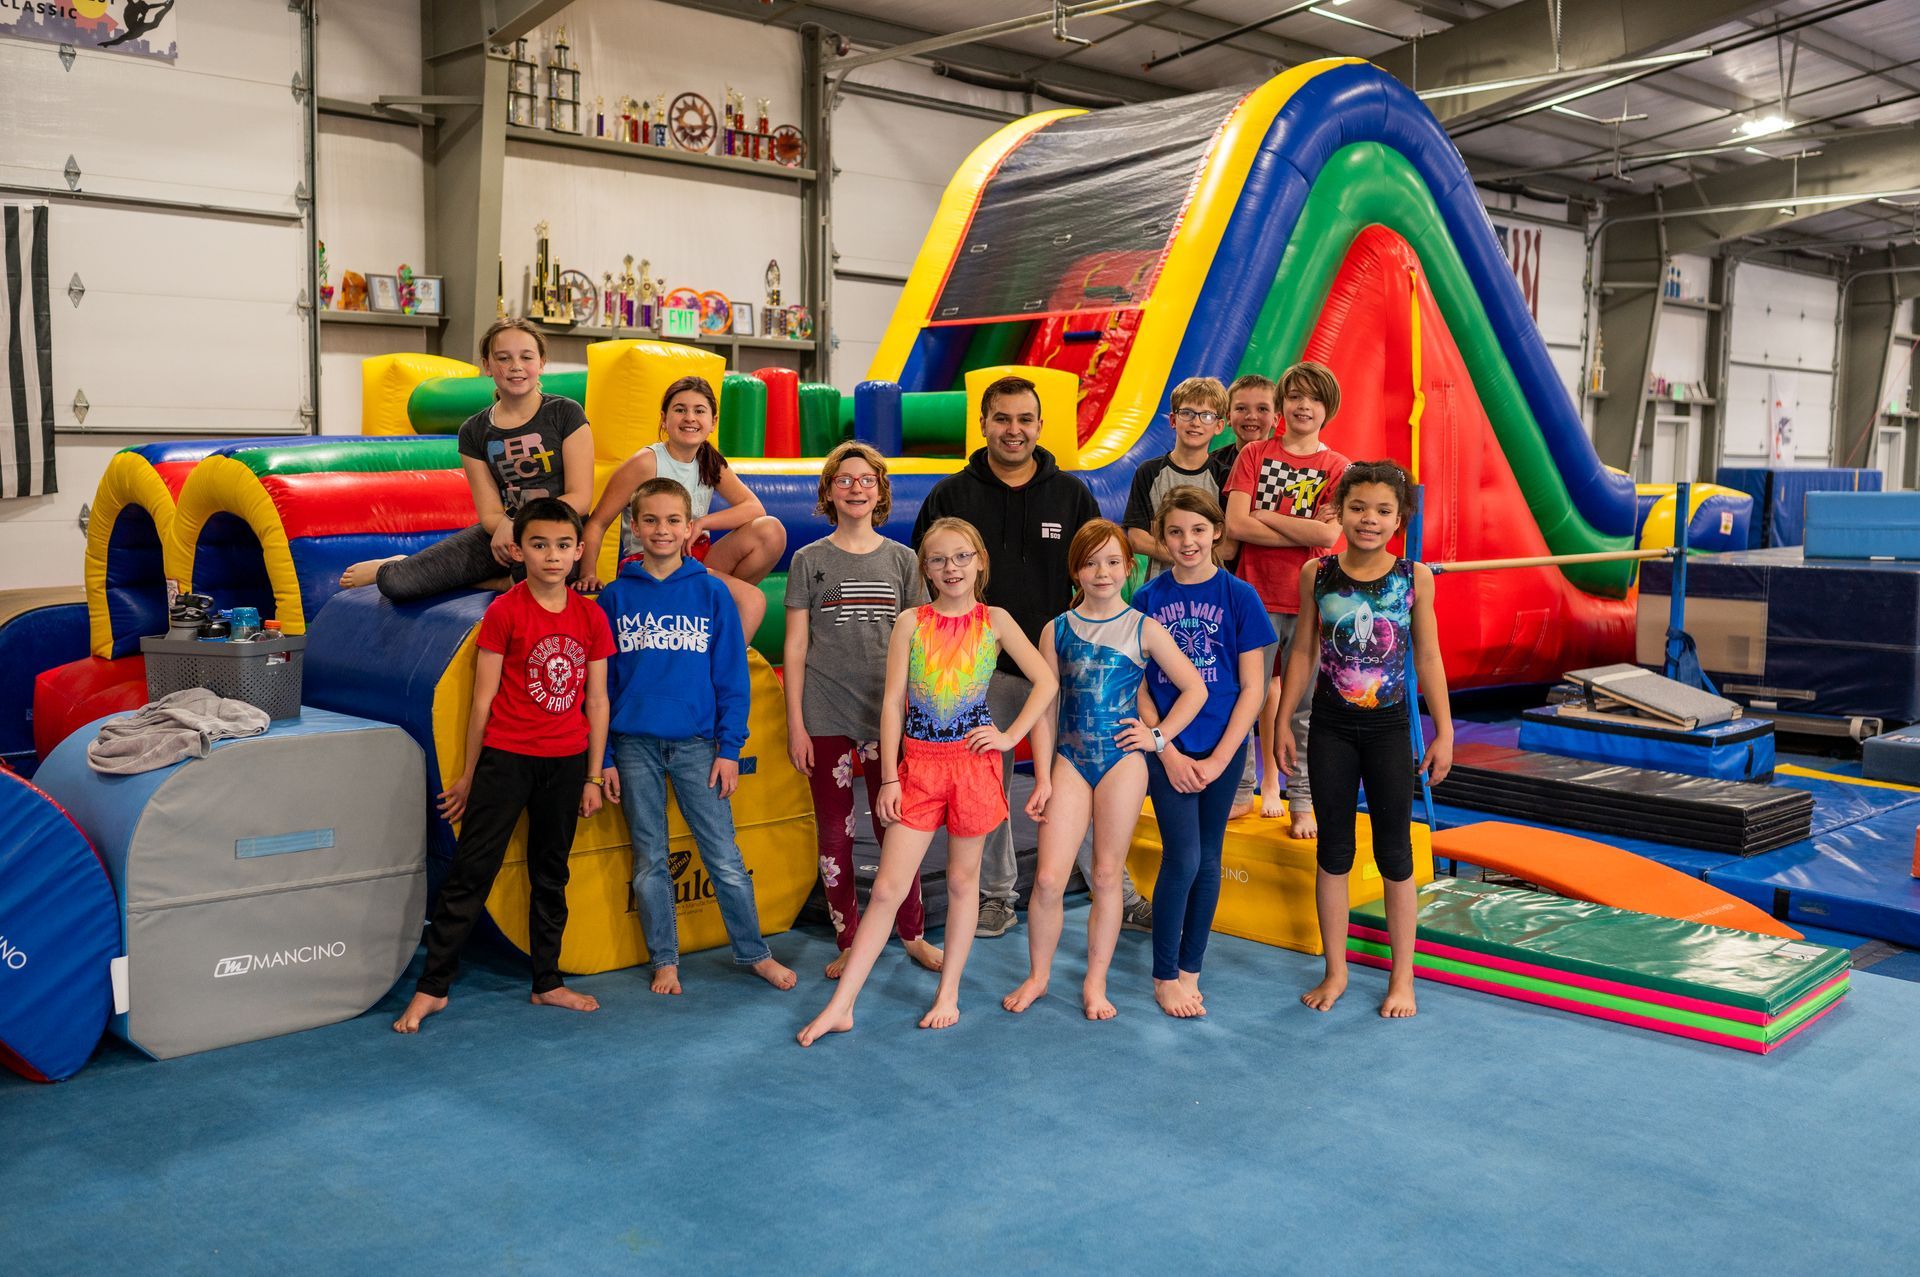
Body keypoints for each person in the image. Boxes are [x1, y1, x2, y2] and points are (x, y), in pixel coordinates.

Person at [796, 518, 1057, 1044]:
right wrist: (889, 777)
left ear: (980, 560)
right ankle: (842, 1005)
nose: (951, 568)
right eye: (938, 560)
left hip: (973, 767)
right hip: (919, 767)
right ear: (926, 569)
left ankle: (949, 993)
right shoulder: (912, 622)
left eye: (961, 557)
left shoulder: (996, 620)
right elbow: (893, 702)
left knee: (964, 883)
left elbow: (1046, 680)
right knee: (889, 888)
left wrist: (1009, 737)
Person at [911, 375, 1150, 939]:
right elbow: (928, 575)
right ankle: (996, 894)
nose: (1014, 430)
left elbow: (1097, 568)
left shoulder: (1069, 494)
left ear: (1041, 426)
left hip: (1065, 668)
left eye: (1025, 420)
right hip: (981, 670)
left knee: (1086, 771)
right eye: (1002, 419)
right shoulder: (951, 495)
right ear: (984, 424)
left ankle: (1112, 884)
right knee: (984, 778)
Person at [393, 498, 613, 1033]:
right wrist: (470, 773)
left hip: (564, 764)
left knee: (550, 874)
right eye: (540, 545)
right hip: (507, 760)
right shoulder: (506, 611)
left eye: (564, 546)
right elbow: (481, 702)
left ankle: (547, 981)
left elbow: (599, 701)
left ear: (579, 551)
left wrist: (590, 774)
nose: (552, 556)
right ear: (520, 550)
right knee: (472, 872)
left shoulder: (590, 615)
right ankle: (433, 987)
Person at [598, 477, 796, 996]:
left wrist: (729, 749)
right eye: (651, 521)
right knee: (650, 860)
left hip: (696, 747)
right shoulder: (616, 597)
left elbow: (731, 677)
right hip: (634, 745)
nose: (661, 530)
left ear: (689, 529)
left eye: (672, 521)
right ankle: (665, 958)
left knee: (724, 857)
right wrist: (607, 757)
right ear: (634, 527)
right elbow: (603, 686)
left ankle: (754, 952)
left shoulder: (710, 591)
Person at [1003, 520, 1207, 1021]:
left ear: (1128, 567)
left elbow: (1195, 689)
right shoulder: (1057, 629)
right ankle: (1039, 976)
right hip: (1071, 760)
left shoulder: (1142, 627)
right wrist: (1047, 775)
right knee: (1049, 879)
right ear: (1075, 569)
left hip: (1122, 762)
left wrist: (1157, 738)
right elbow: (1048, 706)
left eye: (1113, 561)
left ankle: (1096, 982)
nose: (1102, 572)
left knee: (1106, 873)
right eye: (1091, 562)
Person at [1275, 461, 1452, 1019]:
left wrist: (1443, 730)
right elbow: (1302, 650)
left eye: (1382, 511)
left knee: (1395, 852)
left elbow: (1427, 656)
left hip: (1388, 731)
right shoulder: (1317, 574)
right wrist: (1282, 718)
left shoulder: (1412, 577)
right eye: (1357, 508)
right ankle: (1337, 970)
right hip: (1330, 727)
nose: (1368, 520)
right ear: (1339, 512)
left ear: (1399, 518)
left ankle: (1403, 979)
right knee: (1334, 850)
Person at [784, 442, 944, 979]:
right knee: (836, 834)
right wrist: (795, 724)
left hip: (889, 717)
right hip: (826, 714)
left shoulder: (903, 560)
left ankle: (912, 932)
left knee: (897, 827)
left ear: (881, 491)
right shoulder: (810, 561)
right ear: (829, 491)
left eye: (866, 480)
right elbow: (797, 648)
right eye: (845, 480)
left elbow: (920, 646)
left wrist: (920, 718)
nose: (856, 488)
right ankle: (850, 940)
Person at [1130, 488, 1273, 1018]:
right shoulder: (1148, 598)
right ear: (1162, 538)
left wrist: (1219, 761)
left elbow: (1252, 689)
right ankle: (1164, 974)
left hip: (1222, 747)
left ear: (1216, 531)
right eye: (1175, 532)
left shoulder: (1240, 597)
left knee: (1210, 859)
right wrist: (1165, 748)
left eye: (1197, 530)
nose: (1187, 541)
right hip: (1168, 748)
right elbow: (1138, 687)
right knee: (1182, 857)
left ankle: (1190, 968)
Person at [342, 319, 594, 598]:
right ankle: (399, 563)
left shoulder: (565, 413)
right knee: (398, 584)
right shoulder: (474, 430)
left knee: (537, 582)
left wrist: (519, 520)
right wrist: (508, 524)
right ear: (487, 366)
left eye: (526, 357)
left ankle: (503, 582)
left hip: (558, 536)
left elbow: (581, 498)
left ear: (542, 363)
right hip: (502, 532)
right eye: (503, 358)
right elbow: (489, 514)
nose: (515, 366)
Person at [1222, 360, 1350, 836]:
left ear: (1326, 409)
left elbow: (1328, 536)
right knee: (1245, 700)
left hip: (1308, 601)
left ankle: (1302, 801)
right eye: (1295, 397)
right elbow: (1235, 525)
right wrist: (1304, 530)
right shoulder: (1254, 453)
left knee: (1302, 710)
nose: (1302, 406)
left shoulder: (1337, 467)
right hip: (1254, 599)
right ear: (1283, 405)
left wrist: (1268, 515)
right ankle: (1239, 791)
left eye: (1313, 399)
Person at [577, 375, 787, 637]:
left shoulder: (709, 461)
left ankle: (709, 612)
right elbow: (597, 522)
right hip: (651, 562)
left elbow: (754, 508)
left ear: (712, 423)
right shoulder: (646, 463)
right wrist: (588, 573)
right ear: (664, 420)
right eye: (680, 410)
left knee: (770, 531)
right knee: (751, 599)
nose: (690, 417)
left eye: (699, 411)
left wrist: (701, 523)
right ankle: (720, 648)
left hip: (694, 557)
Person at [1122, 376, 1237, 582]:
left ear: (1219, 426)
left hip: (1209, 588)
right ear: (1173, 420)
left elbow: (1228, 548)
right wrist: (1193, 553)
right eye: (1187, 413)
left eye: (1207, 416)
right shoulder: (1149, 472)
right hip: (1161, 586)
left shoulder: (1225, 476)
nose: (1196, 422)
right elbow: (1137, 539)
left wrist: (1168, 543)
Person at [1211, 373, 1279, 497]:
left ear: (1275, 419)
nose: (1251, 416)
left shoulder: (1285, 466)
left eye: (1262, 409)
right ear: (1228, 417)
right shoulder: (1212, 465)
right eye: (1241, 408)